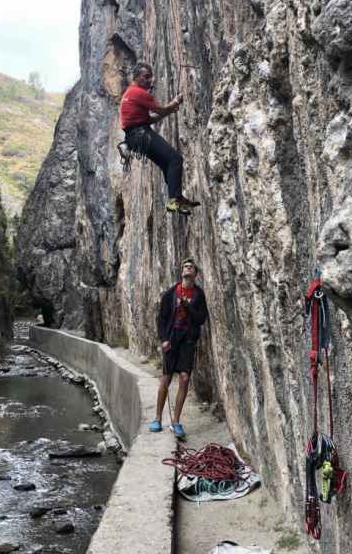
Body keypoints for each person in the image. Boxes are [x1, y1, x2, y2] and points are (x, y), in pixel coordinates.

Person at [120, 62, 200, 215]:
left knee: (166, 164)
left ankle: (177, 198)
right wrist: (175, 102)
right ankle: (174, 201)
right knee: (175, 160)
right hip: (140, 134)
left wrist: (170, 110)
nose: (150, 80)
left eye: (151, 77)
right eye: (146, 77)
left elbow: (149, 119)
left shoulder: (131, 92)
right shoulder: (139, 93)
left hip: (135, 135)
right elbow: (161, 109)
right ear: (136, 77)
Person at [150, 258, 208, 438]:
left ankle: (176, 421)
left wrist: (187, 306)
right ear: (181, 271)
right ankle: (158, 418)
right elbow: (161, 318)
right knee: (166, 377)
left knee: (184, 378)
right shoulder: (171, 293)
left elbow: (201, 318)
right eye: (185, 266)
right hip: (172, 340)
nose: (188, 268)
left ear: (195, 273)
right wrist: (163, 339)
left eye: (191, 266)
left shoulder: (199, 295)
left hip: (188, 341)